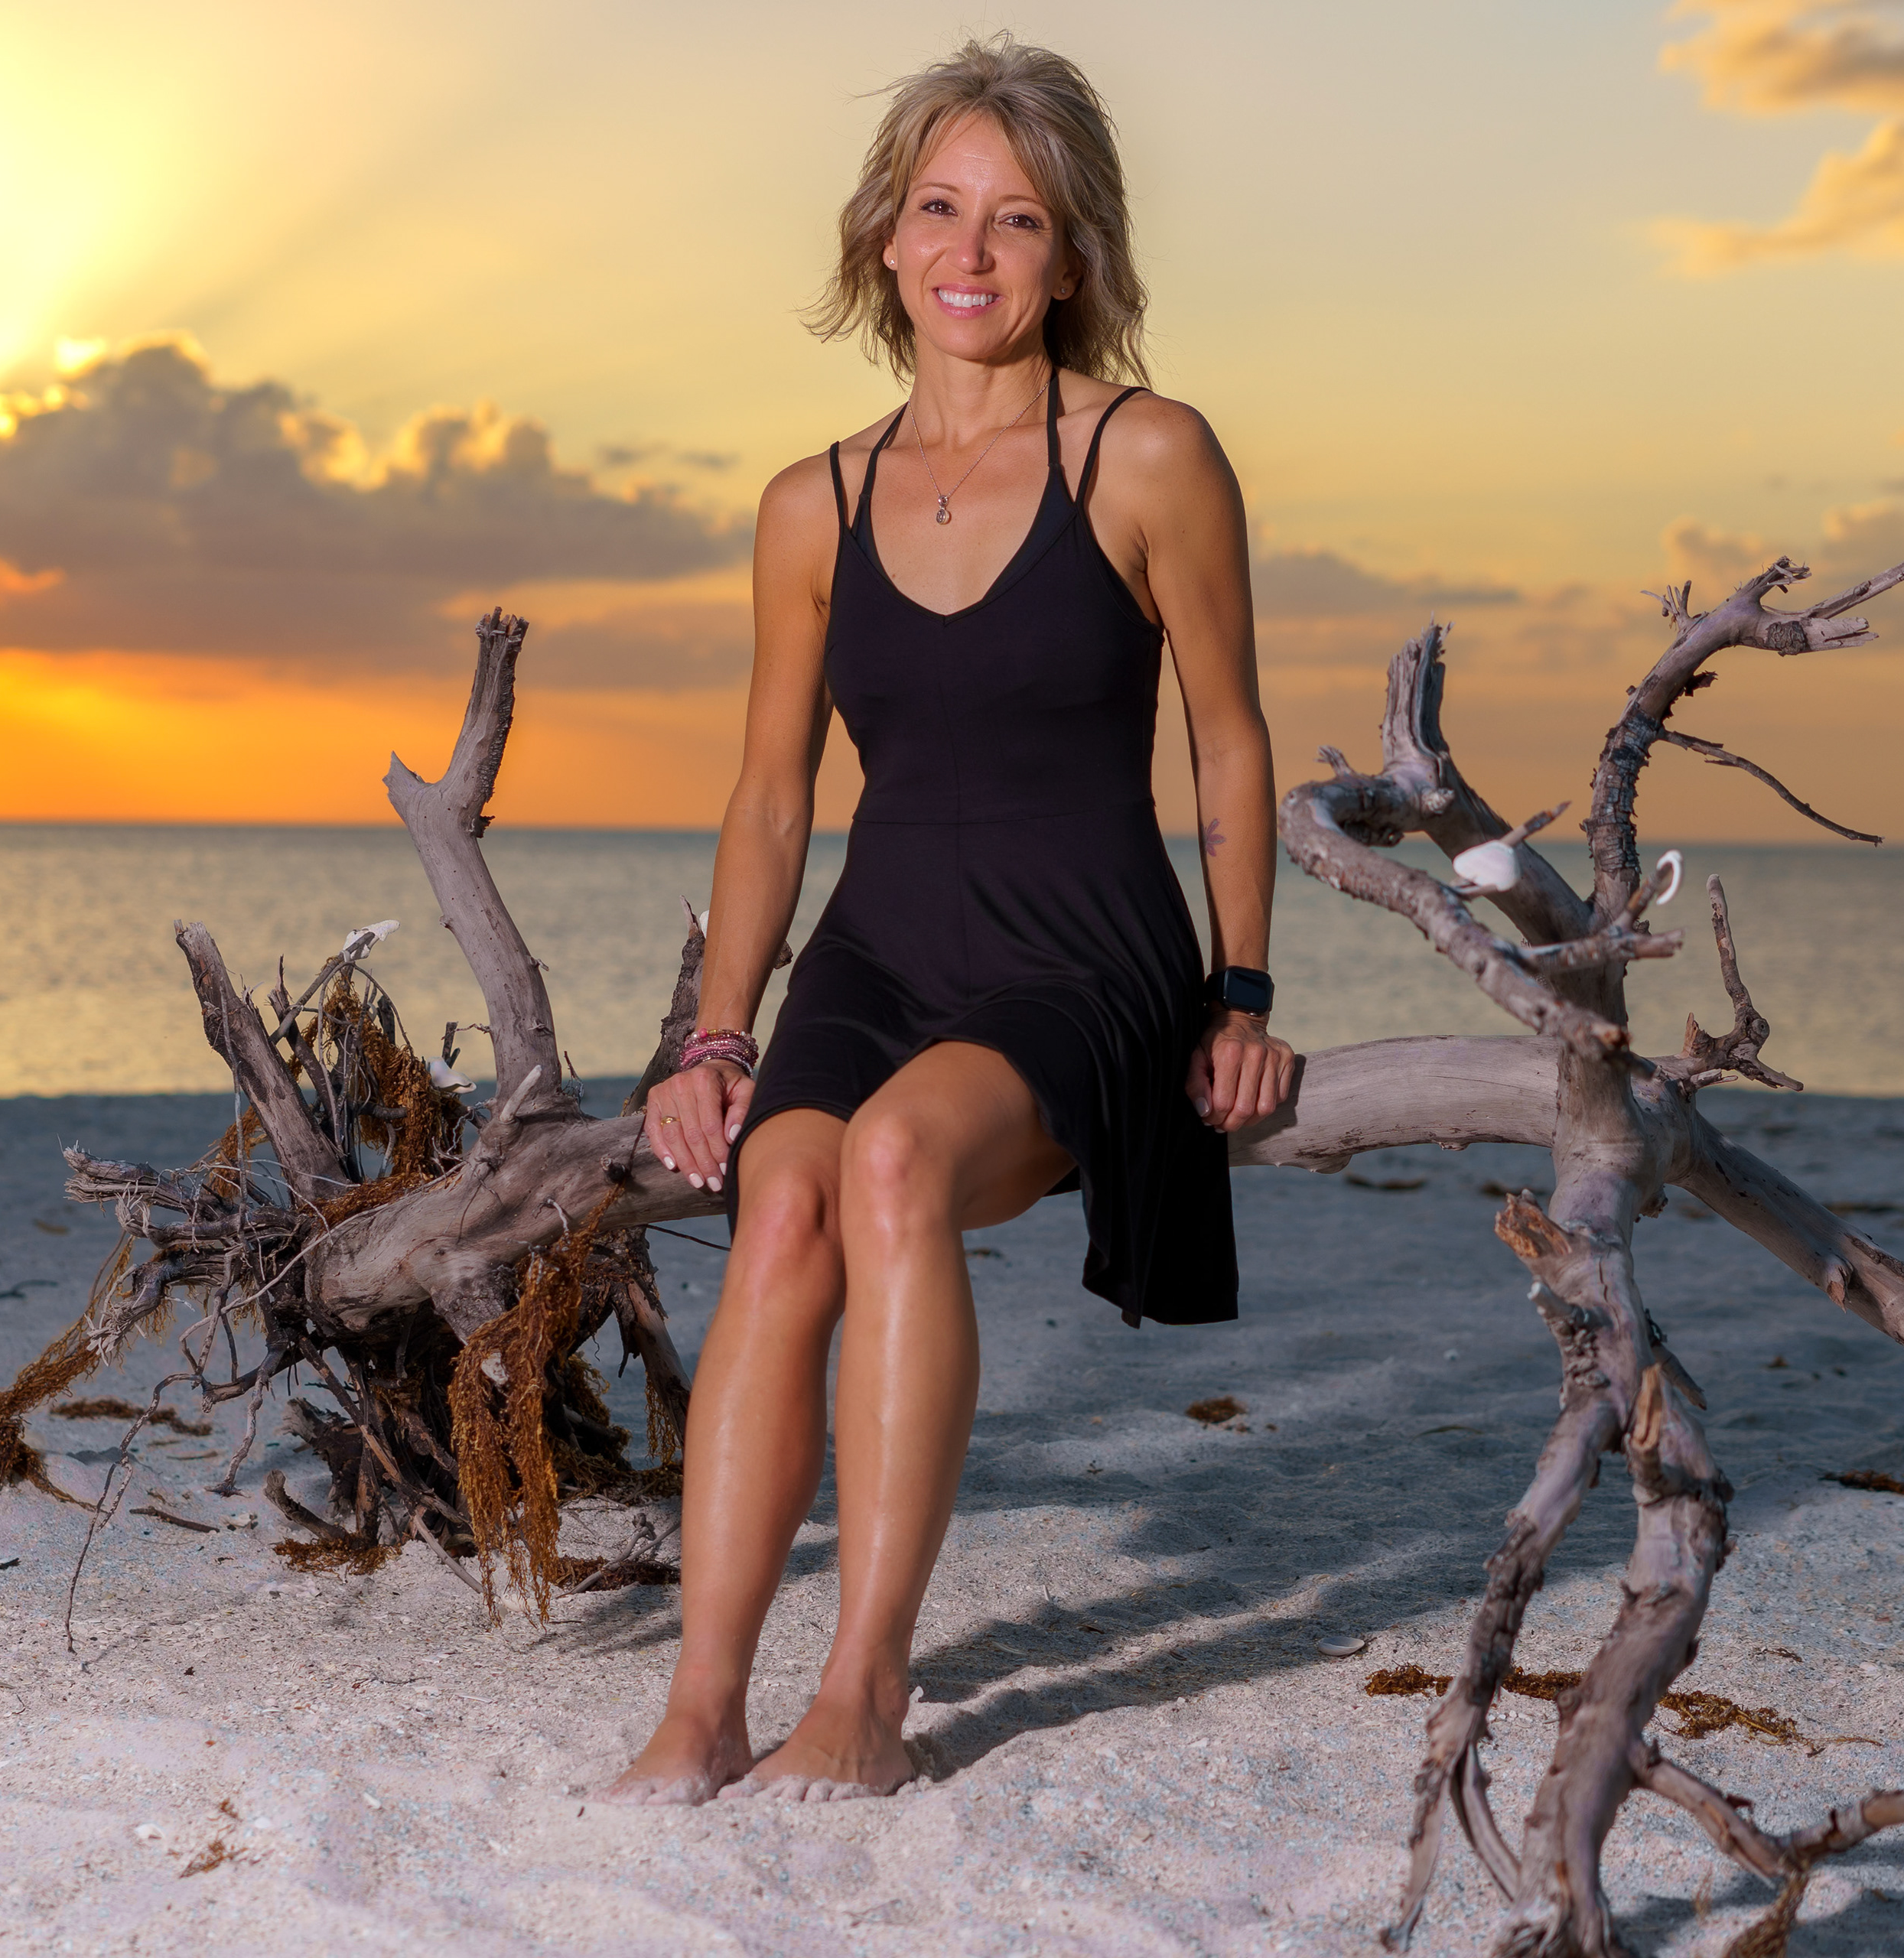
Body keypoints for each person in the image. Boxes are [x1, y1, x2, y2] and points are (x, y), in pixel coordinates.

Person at [604, 36, 1293, 1807]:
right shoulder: (809, 504)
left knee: (894, 1158)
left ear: (1074, 257)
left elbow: (1228, 736)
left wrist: (1239, 991)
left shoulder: (1148, 455)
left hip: (1082, 948)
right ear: (885, 238)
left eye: (1018, 218)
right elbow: (771, 799)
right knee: (782, 1196)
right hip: (882, 944)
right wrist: (712, 1032)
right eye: (938, 208)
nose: (970, 251)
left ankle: (867, 1686)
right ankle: (702, 1704)